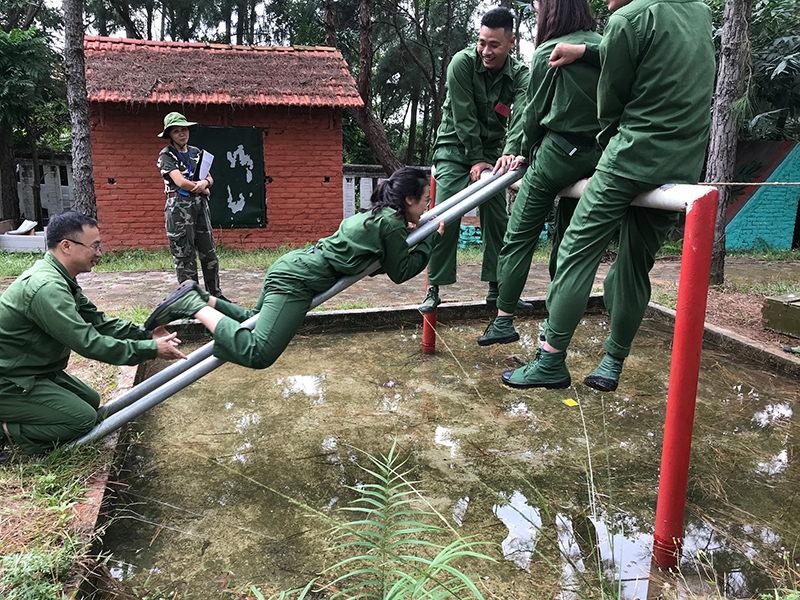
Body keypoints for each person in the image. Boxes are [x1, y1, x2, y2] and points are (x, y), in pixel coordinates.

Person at [502, 0, 716, 391]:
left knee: (576, 250)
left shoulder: (627, 19)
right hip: (684, 162)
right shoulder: (699, 11)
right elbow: (635, 50)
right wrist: (586, 51)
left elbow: (610, 102)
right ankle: (612, 362)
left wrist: (606, 146)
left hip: (630, 155)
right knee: (634, 265)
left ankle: (550, 361)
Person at [145, 167, 445, 370]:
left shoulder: (379, 217)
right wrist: (430, 239)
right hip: (297, 281)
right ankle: (192, 304)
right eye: (424, 201)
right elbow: (400, 271)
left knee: (254, 319)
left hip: (294, 267)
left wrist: (414, 231)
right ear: (409, 199)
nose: (426, 207)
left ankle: (198, 296)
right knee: (259, 352)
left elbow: (384, 251)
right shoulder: (390, 224)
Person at [0, 212, 186, 457]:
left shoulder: (60, 278)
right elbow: (88, 343)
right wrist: (151, 350)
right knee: (81, 420)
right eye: (94, 246)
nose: (99, 253)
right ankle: (7, 429)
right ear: (66, 246)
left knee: (90, 400)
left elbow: (99, 323)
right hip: (9, 380)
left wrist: (144, 334)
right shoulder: (47, 288)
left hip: (32, 372)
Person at [477, 0, 602, 347]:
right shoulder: (601, 43)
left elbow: (533, 111)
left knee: (519, 236)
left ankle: (503, 320)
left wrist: (516, 151)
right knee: (568, 243)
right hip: (597, 155)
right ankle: (553, 322)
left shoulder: (550, 49)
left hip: (557, 154)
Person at [419, 7, 531, 315]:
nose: (485, 50)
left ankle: (497, 289)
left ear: (511, 42)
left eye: (494, 45)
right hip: (454, 148)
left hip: (493, 153)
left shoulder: (521, 75)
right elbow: (464, 117)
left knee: (496, 216)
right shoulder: (461, 64)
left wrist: (508, 153)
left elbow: (521, 117)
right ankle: (434, 288)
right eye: (482, 42)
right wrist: (476, 159)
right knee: (446, 215)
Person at [157, 112, 227, 300]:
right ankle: (191, 299)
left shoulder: (197, 153)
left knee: (209, 252)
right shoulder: (167, 155)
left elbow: (210, 178)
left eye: (184, 130)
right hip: (178, 208)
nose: (182, 134)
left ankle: (215, 296)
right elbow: (180, 182)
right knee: (184, 254)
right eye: (176, 131)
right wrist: (202, 187)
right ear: (170, 135)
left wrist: (205, 185)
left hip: (200, 207)